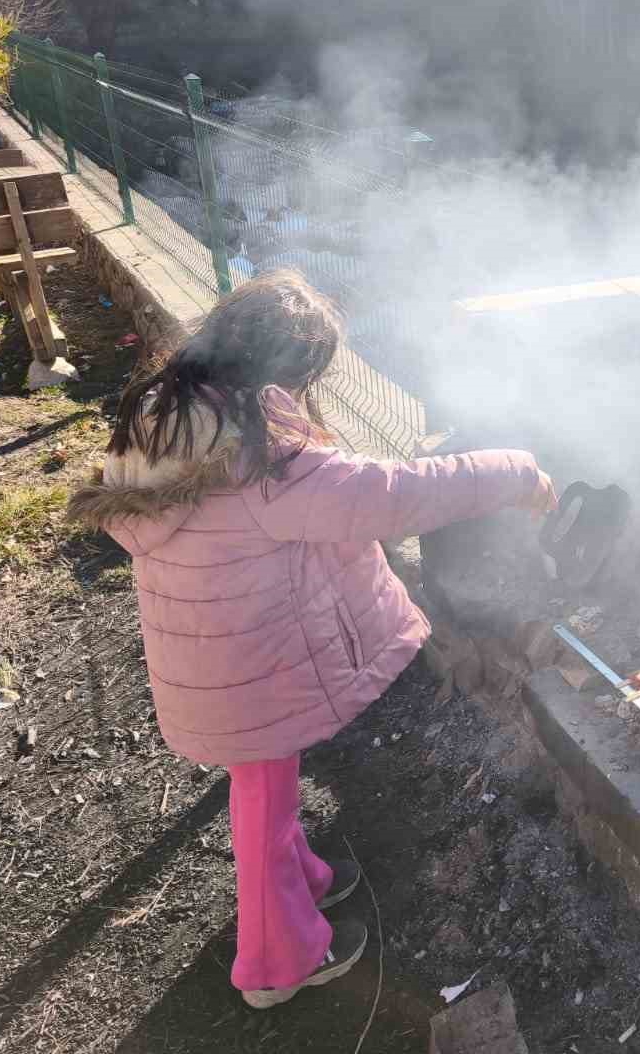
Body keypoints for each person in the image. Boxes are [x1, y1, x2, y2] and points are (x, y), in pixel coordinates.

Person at [68, 271, 556, 1008]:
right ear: (278, 372)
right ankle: (275, 962)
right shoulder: (263, 461)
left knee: (267, 783)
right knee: (262, 800)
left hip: (213, 656)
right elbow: (396, 496)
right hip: (251, 670)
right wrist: (515, 469)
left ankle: (305, 883)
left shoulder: (175, 415)